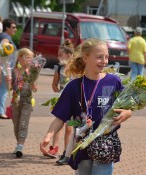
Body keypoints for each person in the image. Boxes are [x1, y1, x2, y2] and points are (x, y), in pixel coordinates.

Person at [40, 37, 132, 175]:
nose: (104, 61)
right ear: (86, 58)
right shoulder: (73, 86)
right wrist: (48, 136)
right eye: (99, 57)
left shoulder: (113, 81)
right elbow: (60, 117)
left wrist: (127, 113)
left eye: (106, 57)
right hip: (82, 145)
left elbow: (128, 105)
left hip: (105, 145)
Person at [44, 39, 74, 166]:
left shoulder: (75, 68)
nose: (58, 57)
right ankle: (55, 146)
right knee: (60, 123)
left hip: (73, 99)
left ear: (68, 55)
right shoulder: (59, 69)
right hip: (62, 99)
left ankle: (67, 152)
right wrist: (59, 94)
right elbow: (54, 84)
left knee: (69, 127)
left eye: (60, 55)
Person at [11, 48, 37, 158]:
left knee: (23, 124)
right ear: (20, 58)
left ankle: (20, 145)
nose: (29, 60)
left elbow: (35, 88)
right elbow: (11, 87)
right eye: (26, 57)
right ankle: (18, 144)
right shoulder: (14, 70)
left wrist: (32, 83)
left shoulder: (32, 72)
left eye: (31, 58)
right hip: (16, 101)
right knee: (16, 125)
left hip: (27, 101)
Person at [0, 18, 17, 119]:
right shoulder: (6, 38)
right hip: (5, 68)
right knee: (4, 90)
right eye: (13, 27)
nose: (15, 29)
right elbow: (1, 51)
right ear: (7, 28)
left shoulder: (3, 36)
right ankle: (1, 112)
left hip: (3, 67)